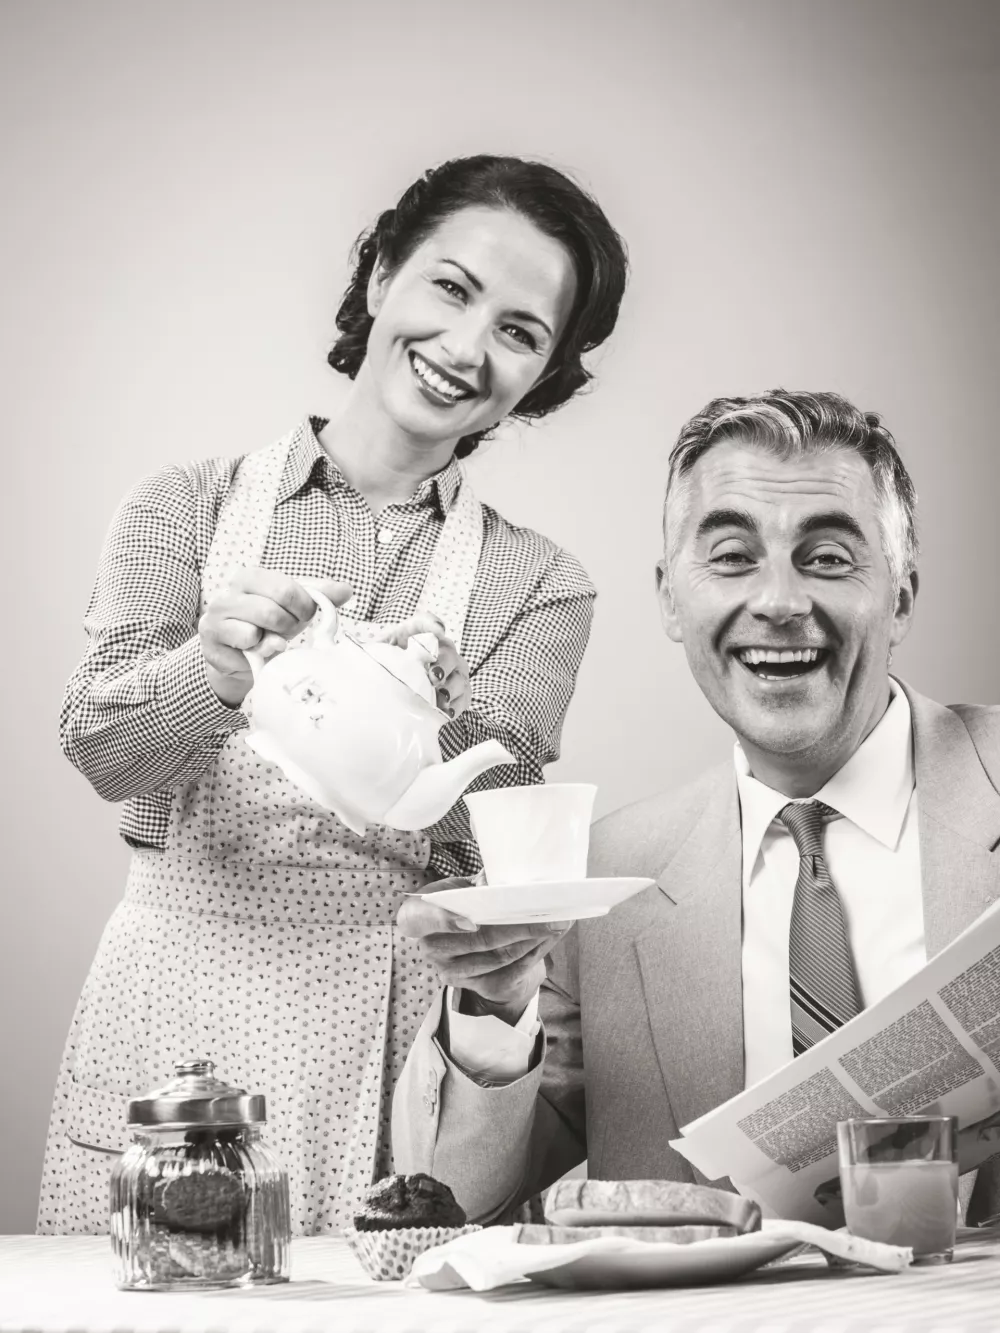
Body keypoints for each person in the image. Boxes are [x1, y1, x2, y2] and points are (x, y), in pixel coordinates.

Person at [39, 154, 629, 1235]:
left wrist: (430, 716)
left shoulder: (541, 582)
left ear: (544, 373)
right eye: (450, 288)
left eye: (518, 331)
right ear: (381, 275)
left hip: (386, 1022)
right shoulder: (185, 507)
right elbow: (101, 751)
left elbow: (494, 847)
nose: (466, 348)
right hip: (172, 1006)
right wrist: (215, 671)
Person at [393, 389, 1000, 1227]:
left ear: (899, 597)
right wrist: (496, 1007)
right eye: (732, 557)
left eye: (827, 557)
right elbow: (460, 1199)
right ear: (671, 600)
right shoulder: (601, 881)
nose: (780, 602)